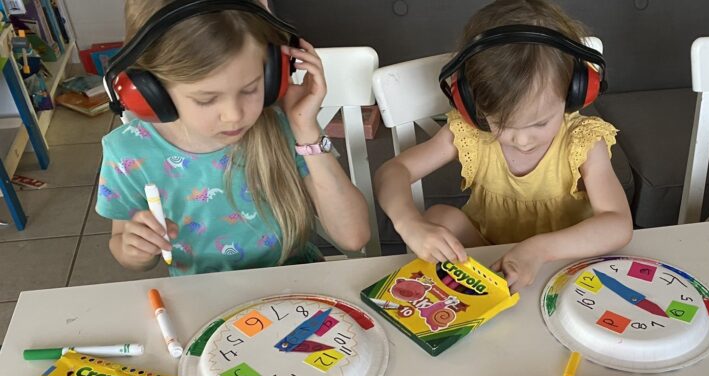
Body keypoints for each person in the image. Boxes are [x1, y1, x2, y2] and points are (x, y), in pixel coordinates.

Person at [374, 0, 632, 293]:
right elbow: (393, 171)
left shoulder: (583, 142)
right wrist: (409, 224)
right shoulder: (471, 133)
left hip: (562, 265)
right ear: (473, 105)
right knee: (438, 218)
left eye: (540, 123)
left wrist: (537, 250)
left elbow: (618, 224)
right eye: (503, 125)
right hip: (488, 260)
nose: (523, 140)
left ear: (574, 93)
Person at [97, 0, 369, 275]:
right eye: (207, 99)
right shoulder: (127, 154)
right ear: (150, 93)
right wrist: (136, 250)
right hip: (205, 298)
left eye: (250, 89)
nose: (234, 115)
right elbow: (123, 247)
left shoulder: (282, 125)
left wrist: (305, 127)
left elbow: (354, 237)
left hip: (294, 288)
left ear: (276, 73)